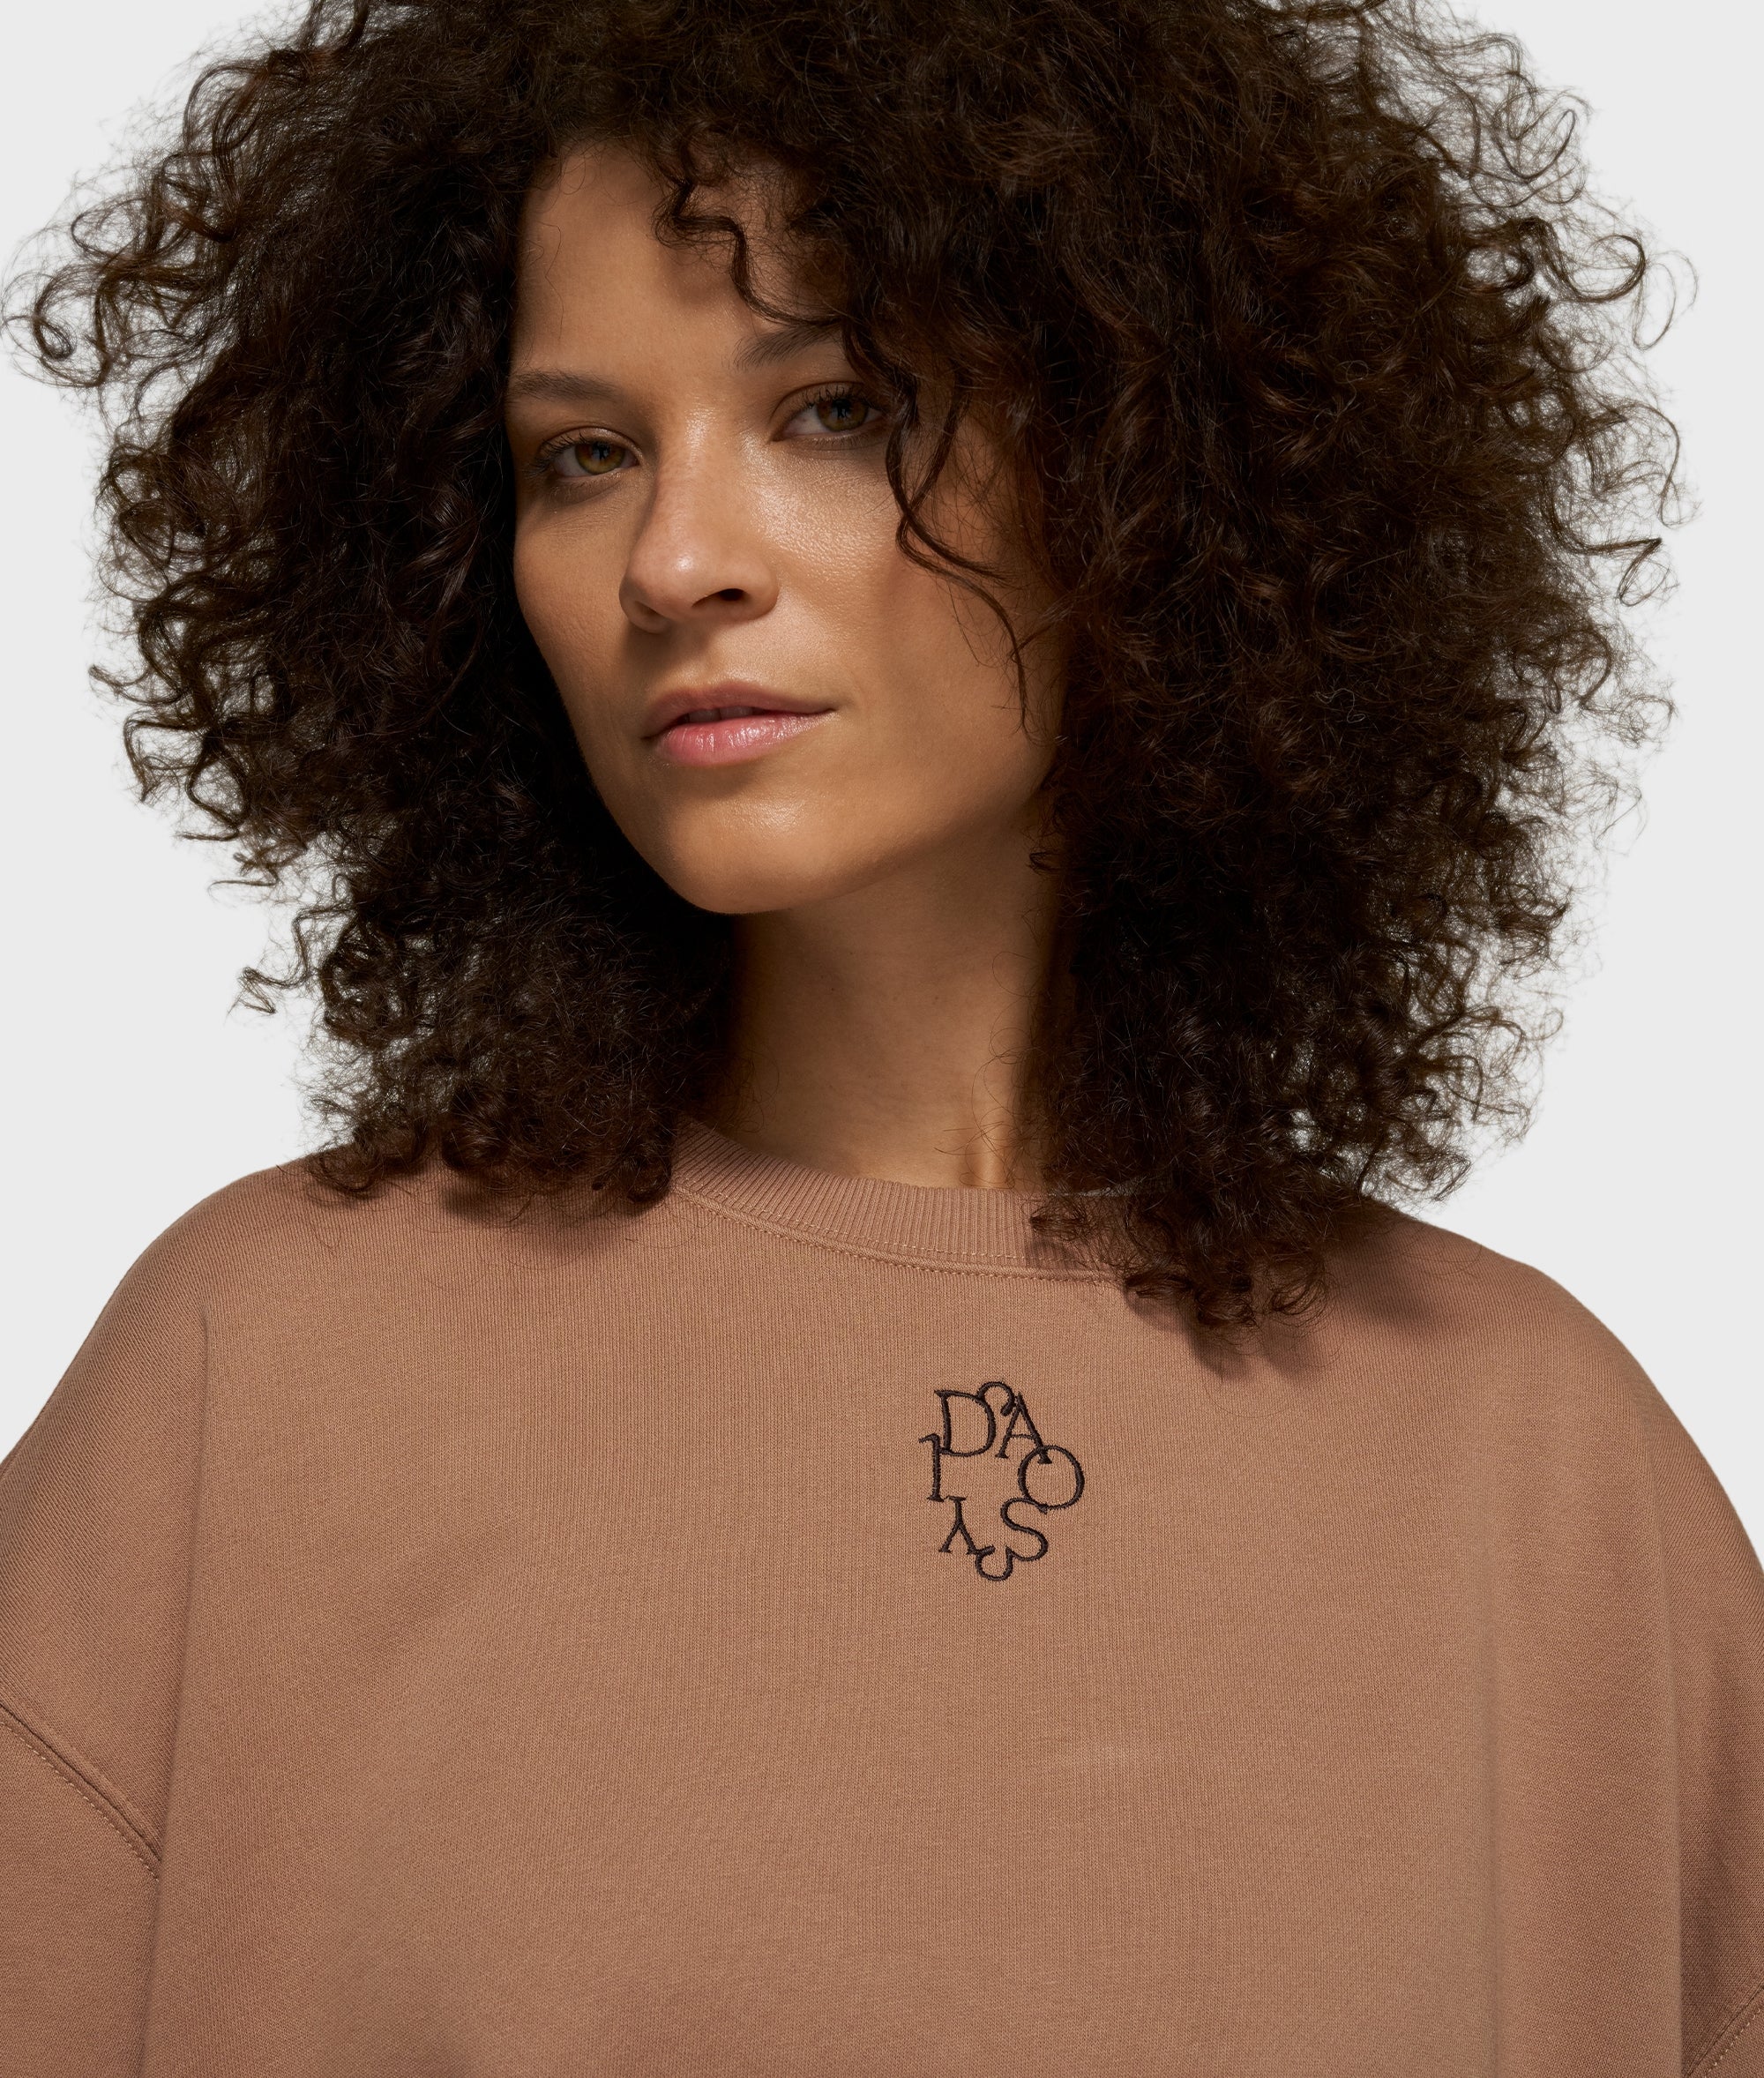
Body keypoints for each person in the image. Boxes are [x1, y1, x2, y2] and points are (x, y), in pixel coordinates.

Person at [3, 0, 1760, 2071]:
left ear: (1141, 456)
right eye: (582, 455)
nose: (674, 560)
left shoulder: (1542, 1480)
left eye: (831, 408)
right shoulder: (256, 1385)